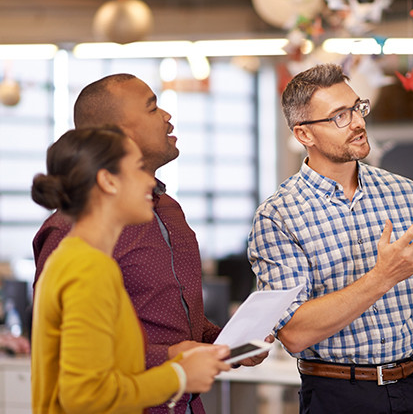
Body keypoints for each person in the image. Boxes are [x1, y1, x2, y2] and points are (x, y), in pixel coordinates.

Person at [247, 63, 413, 413]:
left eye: (358, 108)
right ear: (304, 135)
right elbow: (294, 332)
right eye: (340, 116)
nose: (358, 122)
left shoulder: (402, 192)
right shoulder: (278, 216)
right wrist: (383, 276)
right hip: (338, 396)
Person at [33, 74, 270, 414]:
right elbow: (81, 389)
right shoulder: (81, 258)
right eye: (153, 107)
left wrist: (226, 346)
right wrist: (177, 370)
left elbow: (178, 323)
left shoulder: (165, 213)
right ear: (108, 177)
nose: (149, 180)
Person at [31, 127, 230, 413]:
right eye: (139, 168)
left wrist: (178, 362)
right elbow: (85, 395)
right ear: (108, 181)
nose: (150, 181)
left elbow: (106, 372)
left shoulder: (77, 258)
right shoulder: (88, 267)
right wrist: (180, 376)